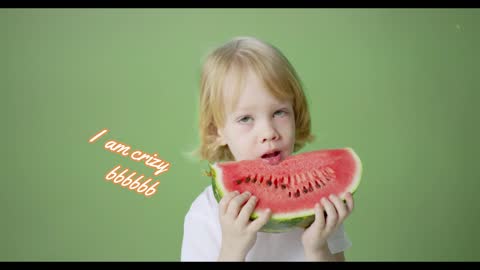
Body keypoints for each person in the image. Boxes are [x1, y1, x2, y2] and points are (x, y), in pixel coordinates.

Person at [181, 36, 355, 261]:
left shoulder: (320, 203)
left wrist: (318, 247)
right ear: (217, 131)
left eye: (279, 112)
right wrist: (233, 249)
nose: (268, 132)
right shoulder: (204, 215)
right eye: (245, 118)